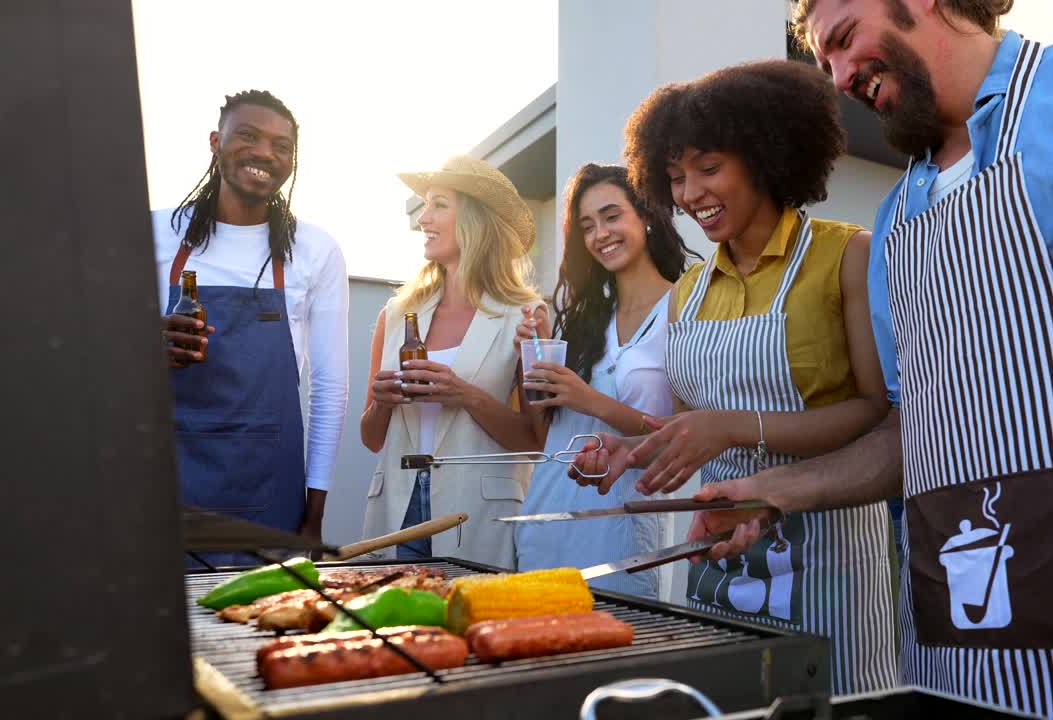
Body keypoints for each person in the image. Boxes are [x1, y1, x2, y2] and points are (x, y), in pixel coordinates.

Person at [679, 2, 1053, 717]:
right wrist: (774, 491)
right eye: (825, 63)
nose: (841, 76)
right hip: (956, 652)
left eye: (846, 40)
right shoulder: (895, 222)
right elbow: (915, 433)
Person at [574, 60, 898, 694]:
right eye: (675, 178)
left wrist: (736, 428)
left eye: (708, 168)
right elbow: (696, 425)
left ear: (765, 155)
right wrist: (634, 448)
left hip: (830, 551)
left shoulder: (848, 255)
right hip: (716, 542)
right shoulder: (687, 292)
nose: (690, 194)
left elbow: (874, 413)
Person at [155, 90, 349, 563]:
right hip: (162, 491)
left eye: (282, 146)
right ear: (215, 142)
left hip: (269, 498)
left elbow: (330, 389)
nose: (265, 152)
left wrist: (314, 516)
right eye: (248, 135)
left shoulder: (314, 251)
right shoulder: (153, 234)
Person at [513, 163, 698, 599]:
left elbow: (687, 436)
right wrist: (535, 358)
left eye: (612, 216)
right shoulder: (584, 320)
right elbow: (544, 434)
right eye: (587, 225)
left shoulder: (686, 307)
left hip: (623, 533)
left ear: (647, 214)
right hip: (547, 520)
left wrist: (591, 399)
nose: (600, 234)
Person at [360, 155, 545, 569]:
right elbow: (371, 438)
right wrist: (382, 400)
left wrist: (464, 395)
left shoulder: (526, 316)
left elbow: (535, 441)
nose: (423, 219)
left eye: (438, 204)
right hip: (396, 509)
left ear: (476, 219)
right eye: (425, 206)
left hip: (478, 514)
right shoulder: (395, 315)